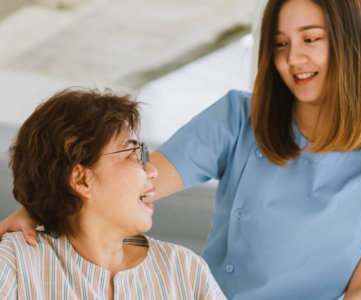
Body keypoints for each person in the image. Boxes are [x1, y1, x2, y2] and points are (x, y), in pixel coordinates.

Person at [2, 0, 361, 299]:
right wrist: (44, 201)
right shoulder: (239, 117)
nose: (292, 59)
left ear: (353, 44)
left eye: (310, 39)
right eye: (279, 44)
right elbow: (129, 184)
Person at [0, 88, 226, 299]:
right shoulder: (15, 263)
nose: (153, 170)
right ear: (81, 179)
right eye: (133, 154)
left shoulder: (186, 271)